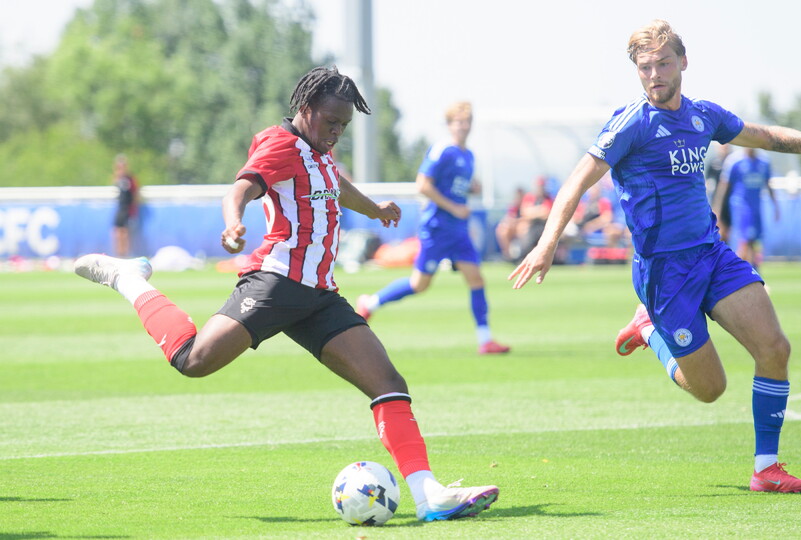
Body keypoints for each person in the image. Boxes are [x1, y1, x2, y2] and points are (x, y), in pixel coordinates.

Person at [73, 67, 498, 522]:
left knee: (389, 384)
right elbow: (239, 189)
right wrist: (234, 221)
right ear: (306, 109)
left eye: (344, 125)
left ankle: (428, 494)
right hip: (275, 284)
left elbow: (334, 183)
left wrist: (374, 209)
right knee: (193, 360)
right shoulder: (281, 144)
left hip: (319, 295)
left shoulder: (319, 151)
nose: (336, 132)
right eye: (331, 121)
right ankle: (129, 279)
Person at [509, 20, 801, 493]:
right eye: (645, 68)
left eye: (663, 63)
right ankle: (649, 328)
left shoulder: (704, 115)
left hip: (711, 255)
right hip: (664, 274)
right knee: (711, 389)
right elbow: (577, 180)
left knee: (775, 348)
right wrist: (546, 243)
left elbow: (763, 135)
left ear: (683, 62)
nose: (654, 75)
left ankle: (766, 469)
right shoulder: (631, 124)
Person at [355, 102, 510, 355]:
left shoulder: (468, 155)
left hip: (458, 229)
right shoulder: (442, 150)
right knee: (419, 285)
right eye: (459, 121)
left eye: (467, 121)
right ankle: (370, 302)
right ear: (449, 125)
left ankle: (485, 340)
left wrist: (470, 189)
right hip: (437, 227)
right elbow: (423, 185)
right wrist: (454, 207)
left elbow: (453, 185)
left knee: (476, 279)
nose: (464, 126)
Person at [713, 147, 779, 270]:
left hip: (757, 208)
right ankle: (740, 273)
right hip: (740, 207)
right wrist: (717, 210)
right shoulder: (734, 161)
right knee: (743, 242)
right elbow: (723, 186)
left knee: (756, 242)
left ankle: (754, 273)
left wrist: (776, 207)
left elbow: (768, 184)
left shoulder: (764, 162)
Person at [112, 154, 139, 257]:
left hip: (127, 209)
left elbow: (135, 194)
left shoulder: (130, 179)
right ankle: (118, 253)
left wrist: (134, 210)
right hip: (120, 208)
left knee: (125, 232)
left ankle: (125, 254)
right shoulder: (118, 179)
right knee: (117, 231)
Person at [705, 144, 733, 243]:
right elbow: (708, 181)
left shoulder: (732, 162)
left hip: (730, 201)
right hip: (717, 200)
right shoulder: (714, 163)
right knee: (719, 228)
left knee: (729, 231)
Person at [495, 186, 525, 261]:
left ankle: (523, 255)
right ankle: (508, 255)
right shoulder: (513, 206)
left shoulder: (526, 204)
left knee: (522, 229)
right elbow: (509, 218)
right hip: (514, 227)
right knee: (503, 231)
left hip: (526, 227)